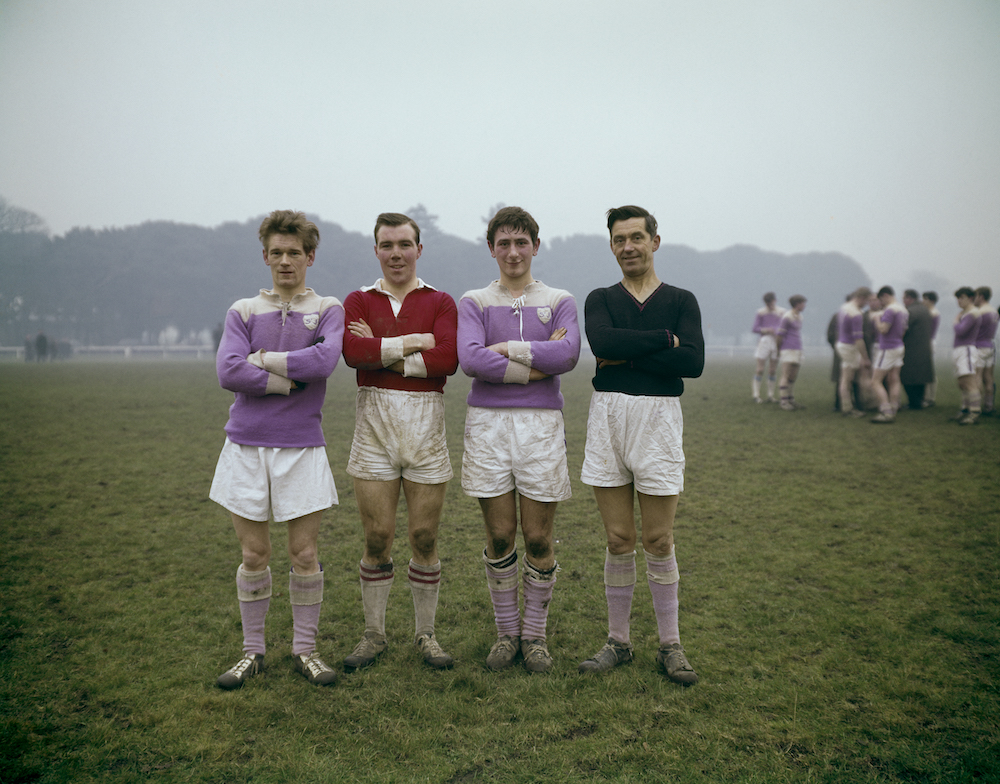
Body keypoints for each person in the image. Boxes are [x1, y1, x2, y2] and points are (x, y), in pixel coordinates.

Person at [210, 210, 344, 689]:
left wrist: (262, 363)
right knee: (254, 554)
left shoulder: (328, 307)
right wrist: (290, 381)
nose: (285, 261)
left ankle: (305, 650)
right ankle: (252, 652)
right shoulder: (243, 310)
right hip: (246, 446)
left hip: (302, 446)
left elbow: (325, 361)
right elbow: (228, 371)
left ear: (310, 256)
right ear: (265, 255)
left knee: (304, 554)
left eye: (294, 253)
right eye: (277, 253)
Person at [577, 205, 704, 686]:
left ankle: (671, 645)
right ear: (611, 246)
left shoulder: (682, 299)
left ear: (654, 240)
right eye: (618, 240)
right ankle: (618, 641)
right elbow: (601, 342)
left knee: (658, 539)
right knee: (618, 539)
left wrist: (625, 352)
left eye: (636, 237)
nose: (627, 246)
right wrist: (663, 343)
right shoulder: (601, 298)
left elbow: (692, 364)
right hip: (608, 418)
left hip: (659, 422)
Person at [457, 206, 580, 673]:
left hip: (542, 426)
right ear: (492, 249)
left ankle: (535, 637)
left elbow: (568, 354)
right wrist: (536, 365)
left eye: (521, 242)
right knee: (500, 533)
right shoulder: (474, 300)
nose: (512, 252)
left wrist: (507, 350)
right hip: (488, 424)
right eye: (503, 243)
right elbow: (469, 359)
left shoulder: (560, 299)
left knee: (538, 537)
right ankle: (507, 633)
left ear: (535, 246)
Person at [341, 212, 459, 671]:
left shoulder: (441, 301)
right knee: (377, 537)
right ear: (376, 250)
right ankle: (373, 634)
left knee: (424, 537)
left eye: (404, 244)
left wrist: (383, 350)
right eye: (387, 245)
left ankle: (426, 634)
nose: (396, 253)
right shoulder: (357, 300)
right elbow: (353, 354)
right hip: (373, 431)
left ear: (419, 249)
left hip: (426, 431)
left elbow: (446, 359)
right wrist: (417, 343)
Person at [869, 286, 908, 423]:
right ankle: (894, 406)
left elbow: (883, 329)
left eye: (881, 300)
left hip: (887, 347)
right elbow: (904, 330)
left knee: (875, 381)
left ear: (885, 296)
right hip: (899, 346)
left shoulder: (890, 310)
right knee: (894, 379)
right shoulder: (903, 310)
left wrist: (877, 320)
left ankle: (886, 411)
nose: (881, 303)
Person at [834, 288, 872, 417]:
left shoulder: (844, 307)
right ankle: (848, 408)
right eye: (866, 300)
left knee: (845, 378)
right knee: (847, 379)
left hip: (842, 344)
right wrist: (865, 357)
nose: (866, 304)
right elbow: (858, 339)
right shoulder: (856, 314)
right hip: (849, 347)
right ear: (862, 297)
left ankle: (848, 406)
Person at [951, 287, 981, 425]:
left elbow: (961, 331)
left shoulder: (972, 313)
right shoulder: (966, 313)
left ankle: (974, 412)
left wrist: (956, 321)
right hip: (960, 349)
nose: (959, 301)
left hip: (966, 350)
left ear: (970, 298)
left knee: (969, 382)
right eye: (958, 298)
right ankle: (965, 409)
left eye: (961, 297)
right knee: (962, 382)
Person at [900, 289, 933, 410]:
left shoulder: (911, 311)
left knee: (908, 377)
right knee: (921, 378)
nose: (903, 301)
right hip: (924, 348)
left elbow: (903, 328)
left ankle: (913, 402)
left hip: (911, 348)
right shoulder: (925, 309)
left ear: (909, 298)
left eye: (904, 298)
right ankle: (919, 401)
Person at [750, 292, 784, 403]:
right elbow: (755, 328)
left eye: (771, 302)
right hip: (764, 341)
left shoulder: (781, 312)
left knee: (773, 370)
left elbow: (784, 327)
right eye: (768, 303)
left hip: (776, 341)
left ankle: (770, 395)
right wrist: (766, 330)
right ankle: (756, 395)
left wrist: (778, 331)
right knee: (760, 369)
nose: (770, 305)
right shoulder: (761, 312)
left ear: (775, 301)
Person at [775, 295, 807, 411]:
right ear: (797, 304)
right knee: (786, 374)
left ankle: (790, 399)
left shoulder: (800, 316)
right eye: (803, 303)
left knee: (793, 375)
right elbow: (779, 335)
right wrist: (778, 349)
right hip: (788, 348)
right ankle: (783, 401)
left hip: (798, 348)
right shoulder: (787, 317)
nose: (804, 306)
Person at [973, 286, 998, 416]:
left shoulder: (979, 312)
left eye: (975, 296)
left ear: (981, 296)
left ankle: (976, 406)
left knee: (977, 376)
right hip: (990, 345)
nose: (974, 299)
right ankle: (989, 406)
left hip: (979, 346)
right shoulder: (994, 311)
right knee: (988, 378)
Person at [921, 291, 940, 407]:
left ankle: (930, 397)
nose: (923, 302)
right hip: (927, 342)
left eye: (925, 299)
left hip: (929, 342)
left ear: (931, 301)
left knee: (929, 371)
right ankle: (927, 396)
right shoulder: (929, 312)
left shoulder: (933, 313)